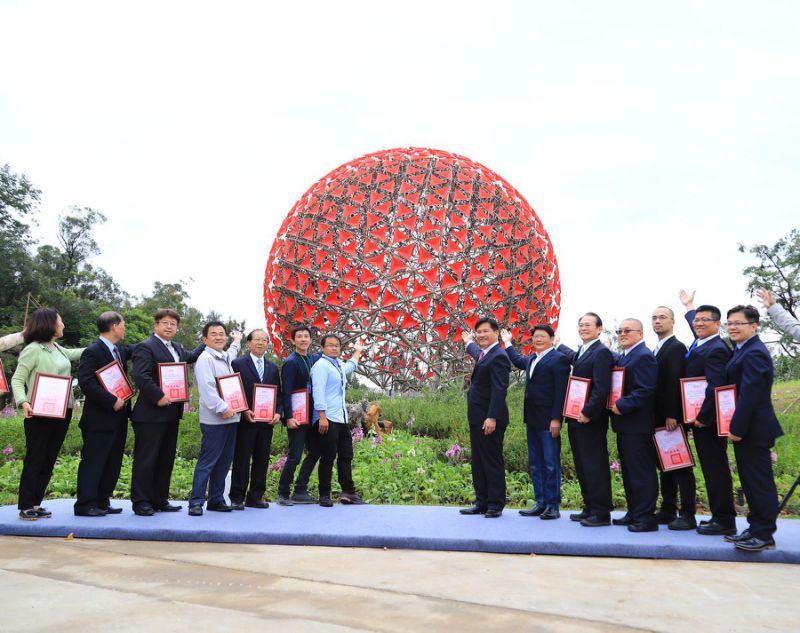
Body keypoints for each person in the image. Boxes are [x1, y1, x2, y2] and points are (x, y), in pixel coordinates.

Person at [11, 308, 85, 521]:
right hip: (39, 411)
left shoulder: (58, 349)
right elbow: (17, 379)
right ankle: (25, 506)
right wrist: (23, 401)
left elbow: (77, 353)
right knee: (36, 458)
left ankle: (36, 503)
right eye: (60, 321)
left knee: (49, 459)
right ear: (49, 324)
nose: (63, 325)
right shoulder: (33, 349)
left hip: (63, 410)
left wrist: (105, 344)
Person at [130, 309, 205, 516]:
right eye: (165, 323)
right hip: (150, 414)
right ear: (156, 325)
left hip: (172, 413)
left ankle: (159, 499)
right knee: (146, 459)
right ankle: (142, 502)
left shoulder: (178, 349)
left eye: (173, 324)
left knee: (166, 458)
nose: (169, 326)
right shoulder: (146, 347)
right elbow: (141, 375)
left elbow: (192, 356)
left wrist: (206, 341)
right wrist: (158, 395)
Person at [724, 305, 783, 552]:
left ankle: (764, 533)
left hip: (754, 428)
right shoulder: (741, 350)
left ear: (754, 326)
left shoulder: (755, 352)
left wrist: (736, 428)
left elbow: (751, 395)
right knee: (749, 480)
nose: (733, 327)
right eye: (730, 323)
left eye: (738, 323)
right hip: (747, 427)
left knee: (759, 482)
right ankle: (754, 527)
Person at [679, 290, 737, 536]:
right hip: (700, 418)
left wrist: (703, 417)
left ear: (718, 324)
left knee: (716, 470)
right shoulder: (702, 342)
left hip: (708, 422)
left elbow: (716, 386)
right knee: (711, 468)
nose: (698, 324)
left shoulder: (716, 349)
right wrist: (689, 307)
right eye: (696, 320)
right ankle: (718, 516)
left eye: (705, 320)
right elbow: (697, 328)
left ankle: (724, 520)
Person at [503, 324, 570, 520]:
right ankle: (540, 502)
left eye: (542, 336)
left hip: (549, 421)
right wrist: (507, 343)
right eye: (535, 337)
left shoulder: (559, 359)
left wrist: (557, 419)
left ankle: (553, 505)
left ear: (551, 339)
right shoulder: (532, 358)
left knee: (550, 464)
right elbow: (517, 360)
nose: (538, 339)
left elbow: (561, 392)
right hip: (532, 419)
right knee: (535, 464)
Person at [74, 311, 135, 516]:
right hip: (99, 418)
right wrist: (111, 401)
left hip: (118, 418)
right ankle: (85, 504)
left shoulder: (118, 350)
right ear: (114, 326)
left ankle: (102, 500)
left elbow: (138, 349)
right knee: (94, 461)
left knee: (112, 461)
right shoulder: (92, 351)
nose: (125, 328)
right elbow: (86, 383)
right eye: (123, 324)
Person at [557, 312, 614, 527]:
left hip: (590, 419)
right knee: (582, 463)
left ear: (599, 329)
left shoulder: (601, 352)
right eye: (580, 325)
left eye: (588, 325)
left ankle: (601, 512)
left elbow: (602, 388)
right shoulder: (583, 350)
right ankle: (589, 506)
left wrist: (588, 412)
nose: (583, 328)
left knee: (594, 464)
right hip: (575, 416)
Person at [609, 318, 659, 532]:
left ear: (640, 333)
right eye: (619, 330)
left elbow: (646, 390)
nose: (622, 334)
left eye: (627, 330)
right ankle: (634, 512)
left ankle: (646, 518)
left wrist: (621, 404)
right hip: (625, 425)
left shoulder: (644, 356)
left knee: (641, 472)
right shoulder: (626, 356)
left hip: (637, 425)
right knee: (629, 472)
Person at [188, 322, 242, 515]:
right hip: (215, 420)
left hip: (231, 418)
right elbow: (207, 388)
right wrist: (222, 408)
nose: (219, 337)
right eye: (214, 334)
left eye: (222, 334)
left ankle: (216, 500)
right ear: (205, 340)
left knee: (224, 462)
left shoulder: (224, 357)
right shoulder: (205, 359)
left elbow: (233, 352)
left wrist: (237, 341)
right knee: (208, 462)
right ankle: (195, 502)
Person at [306, 334, 366, 507]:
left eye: (337, 345)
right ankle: (324, 494)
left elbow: (350, 366)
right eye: (330, 345)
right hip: (327, 418)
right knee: (328, 456)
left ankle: (348, 492)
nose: (334, 348)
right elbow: (318, 392)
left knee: (346, 455)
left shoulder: (338, 365)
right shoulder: (321, 366)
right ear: (323, 348)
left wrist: (357, 352)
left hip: (341, 418)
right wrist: (322, 417)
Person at [460, 317, 511, 518]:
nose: (481, 335)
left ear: (496, 333)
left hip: (490, 419)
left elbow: (500, 389)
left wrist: (492, 417)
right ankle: (481, 501)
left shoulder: (499, 356)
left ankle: (495, 504)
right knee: (479, 461)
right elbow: (476, 351)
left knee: (491, 460)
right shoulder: (484, 354)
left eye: (485, 331)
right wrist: (468, 343)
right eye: (478, 332)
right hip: (477, 418)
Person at [651, 306, 696, 530]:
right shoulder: (657, 348)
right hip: (657, 419)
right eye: (654, 318)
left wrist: (673, 415)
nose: (657, 321)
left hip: (670, 419)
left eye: (662, 317)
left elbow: (675, 382)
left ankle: (688, 513)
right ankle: (668, 509)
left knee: (680, 465)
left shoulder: (676, 347)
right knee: (665, 464)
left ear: (672, 322)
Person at [229, 328, 282, 510]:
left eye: (264, 340)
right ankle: (237, 497)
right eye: (256, 340)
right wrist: (243, 410)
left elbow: (279, 395)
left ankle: (255, 497)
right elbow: (233, 390)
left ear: (267, 344)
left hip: (266, 422)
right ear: (249, 343)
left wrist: (278, 413)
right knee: (241, 459)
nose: (260, 343)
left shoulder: (273, 368)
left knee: (262, 459)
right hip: (246, 420)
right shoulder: (238, 364)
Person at [277, 326, 322, 505]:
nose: (303, 339)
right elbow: (285, 391)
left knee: (315, 451)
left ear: (311, 340)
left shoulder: (312, 359)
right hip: (297, 415)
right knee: (295, 455)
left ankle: (300, 489)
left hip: (311, 415)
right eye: (299, 337)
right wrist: (288, 417)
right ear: (293, 341)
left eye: (306, 336)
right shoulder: (291, 362)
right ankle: (283, 492)